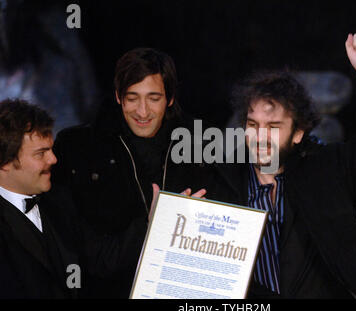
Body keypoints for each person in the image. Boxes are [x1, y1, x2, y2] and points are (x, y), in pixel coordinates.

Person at [207, 33, 356, 298]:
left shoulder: (327, 172)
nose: (260, 136)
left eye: (274, 127)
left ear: (298, 132)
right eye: (253, 125)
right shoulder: (221, 182)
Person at [52, 48, 209, 298]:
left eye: (153, 98)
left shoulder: (201, 144)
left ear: (169, 99)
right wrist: (151, 225)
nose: (142, 111)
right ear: (118, 96)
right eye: (133, 98)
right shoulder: (78, 148)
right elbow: (83, 252)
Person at [0, 99, 148, 298]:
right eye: (41, 153)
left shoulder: (60, 201)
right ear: (5, 163)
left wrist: (155, 219)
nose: (53, 159)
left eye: (51, 149)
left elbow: (103, 258)